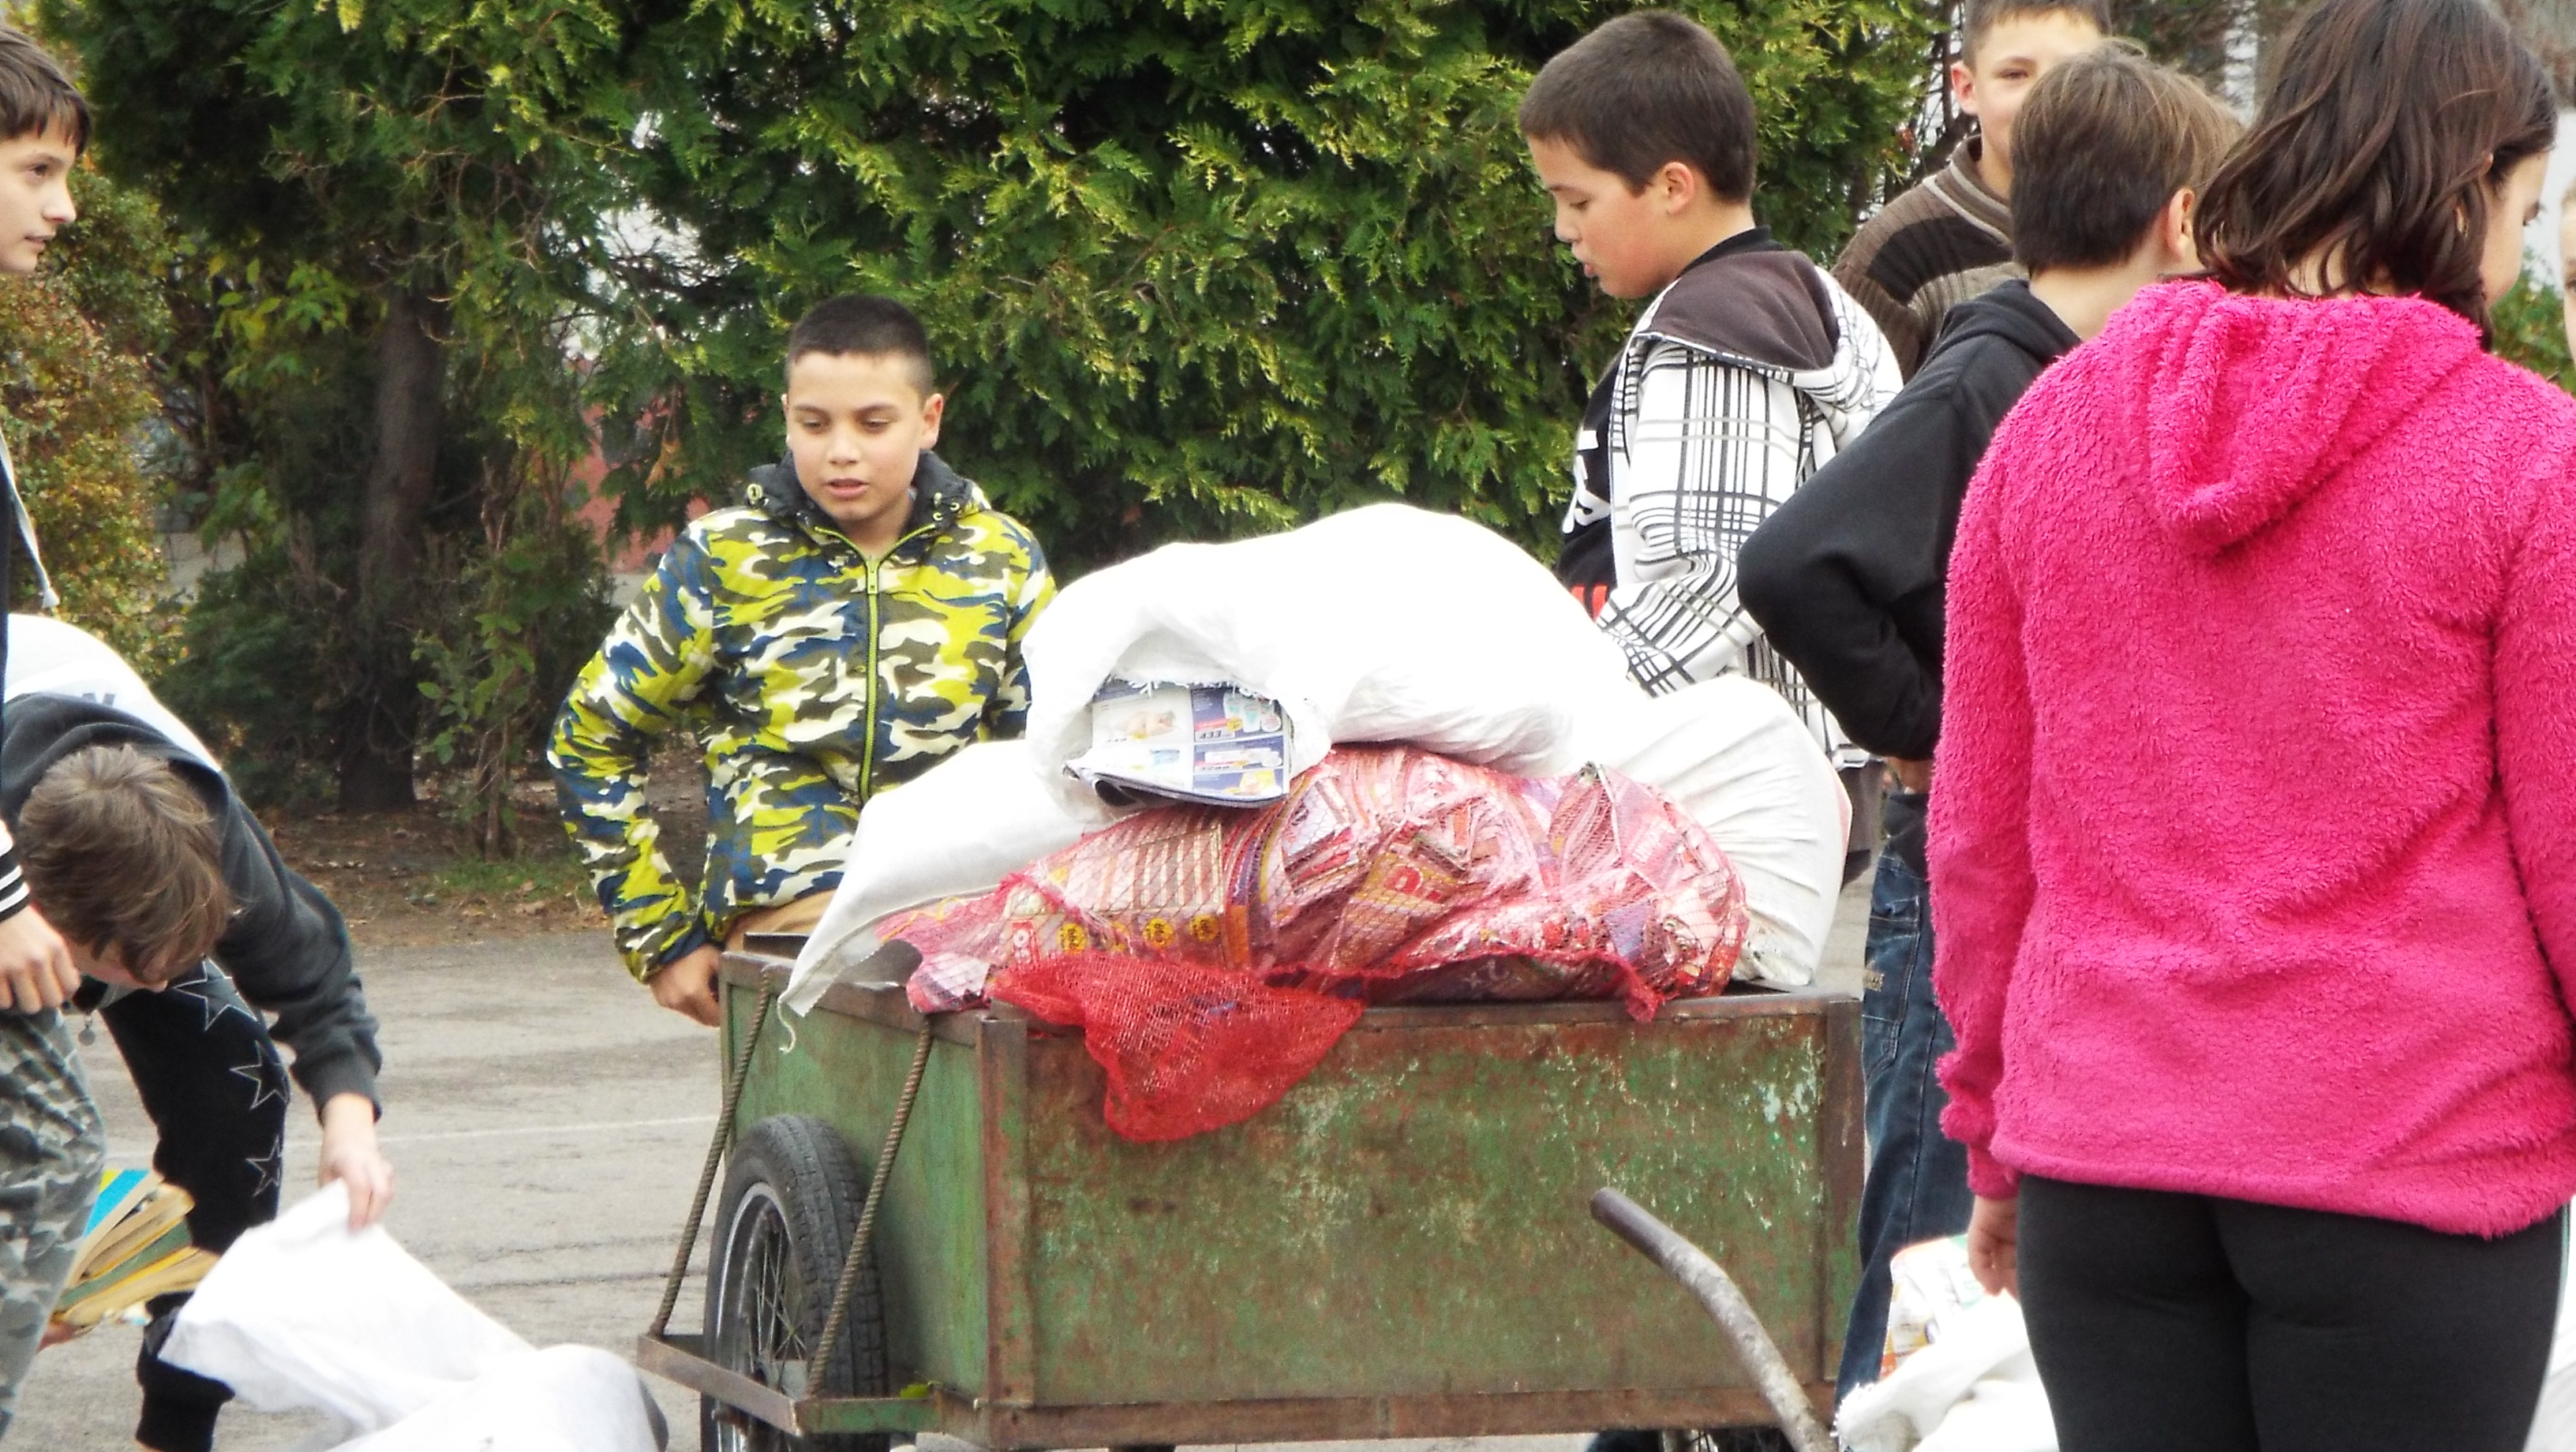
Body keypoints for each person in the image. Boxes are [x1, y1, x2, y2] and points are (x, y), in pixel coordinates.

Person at [1931, 1, 2574, 1446]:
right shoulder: (2525, 456)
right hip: (2405, 1161)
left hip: (2105, 1169)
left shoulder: (2050, 427)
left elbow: (1977, 835)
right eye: (2522, 211)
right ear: (2463, 182)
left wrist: (1989, 1127)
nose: (2516, 256)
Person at [1740, 44, 2236, 1405]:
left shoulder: (2075, 377)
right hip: (1941, 891)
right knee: (1927, 1261)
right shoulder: (1989, 381)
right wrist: (1939, 730)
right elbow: (1793, 562)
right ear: (2180, 219)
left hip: (2015, 883)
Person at [551, 294, 1054, 1024]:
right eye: (814, 425)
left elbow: (1050, 761)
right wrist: (659, 939)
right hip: (790, 941)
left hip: (970, 939)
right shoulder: (723, 559)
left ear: (929, 419)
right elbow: (591, 735)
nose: (841, 451)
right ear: (787, 416)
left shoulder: (1000, 558)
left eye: (873, 424)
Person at [0, 614, 391, 1450]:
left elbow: (315, 974)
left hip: (105, 860)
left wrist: (351, 1126)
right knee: (37, 1161)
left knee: (235, 1083)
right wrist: (22, 1279)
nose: (156, 983)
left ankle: (177, 1426)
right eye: (134, 970)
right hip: (12, 892)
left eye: (179, 958)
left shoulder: (211, 833)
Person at [1518, 9, 1898, 775]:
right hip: (1775, 765)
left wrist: (1560, 718)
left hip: (1731, 782)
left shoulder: (1716, 329)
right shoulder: (1799, 296)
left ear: (1672, 186)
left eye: (1578, 200)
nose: (1563, 228)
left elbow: (1717, 575)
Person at [1832, 0, 2107, 380]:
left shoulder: (2162, 230)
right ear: (1967, 87)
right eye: (2015, 74)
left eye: (2073, 75)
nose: (2046, 99)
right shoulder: (1898, 255)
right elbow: (1854, 413)